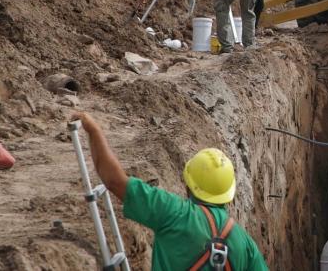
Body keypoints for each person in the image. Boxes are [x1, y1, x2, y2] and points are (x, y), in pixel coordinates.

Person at [70, 112, 268, 271]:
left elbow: (113, 180)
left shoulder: (174, 213)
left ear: (188, 185)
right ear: (229, 193)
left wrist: (94, 130)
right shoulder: (246, 245)